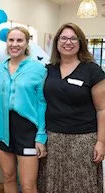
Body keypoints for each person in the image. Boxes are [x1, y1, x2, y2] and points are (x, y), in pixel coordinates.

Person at [38, 23, 105, 193]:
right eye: (64, 38)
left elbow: (102, 109)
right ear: (57, 42)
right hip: (53, 140)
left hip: (83, 141)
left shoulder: (92, 70)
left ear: (81, 42)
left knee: (82, 186)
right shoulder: (48, 70)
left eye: (73, 38)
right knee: (53, 186)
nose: (68, 42)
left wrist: (101, 142)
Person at [0, 26, 47, 193]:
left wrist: (41, 136)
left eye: (19, 40)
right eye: (11, 40)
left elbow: (42, 103)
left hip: (28, 131)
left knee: (28, 185)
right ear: (6, 43)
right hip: (2, 129)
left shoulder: (38, 69)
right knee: (8, 178)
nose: (15, 44)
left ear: (27, 43)